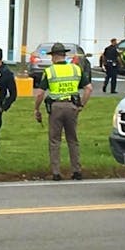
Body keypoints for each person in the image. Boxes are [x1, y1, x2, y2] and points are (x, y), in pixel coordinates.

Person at [33, 42, 92, 181]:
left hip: (56, 108)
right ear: (64, 55)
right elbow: (89, 88)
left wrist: (36, 108)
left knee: (55, 141)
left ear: (53, 56)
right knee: (73, 140)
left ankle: (56, 173)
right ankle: (76, 171)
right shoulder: (75, 69)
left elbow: (40, 93)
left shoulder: (50, 71)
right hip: (72, 106)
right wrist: (81, 105)